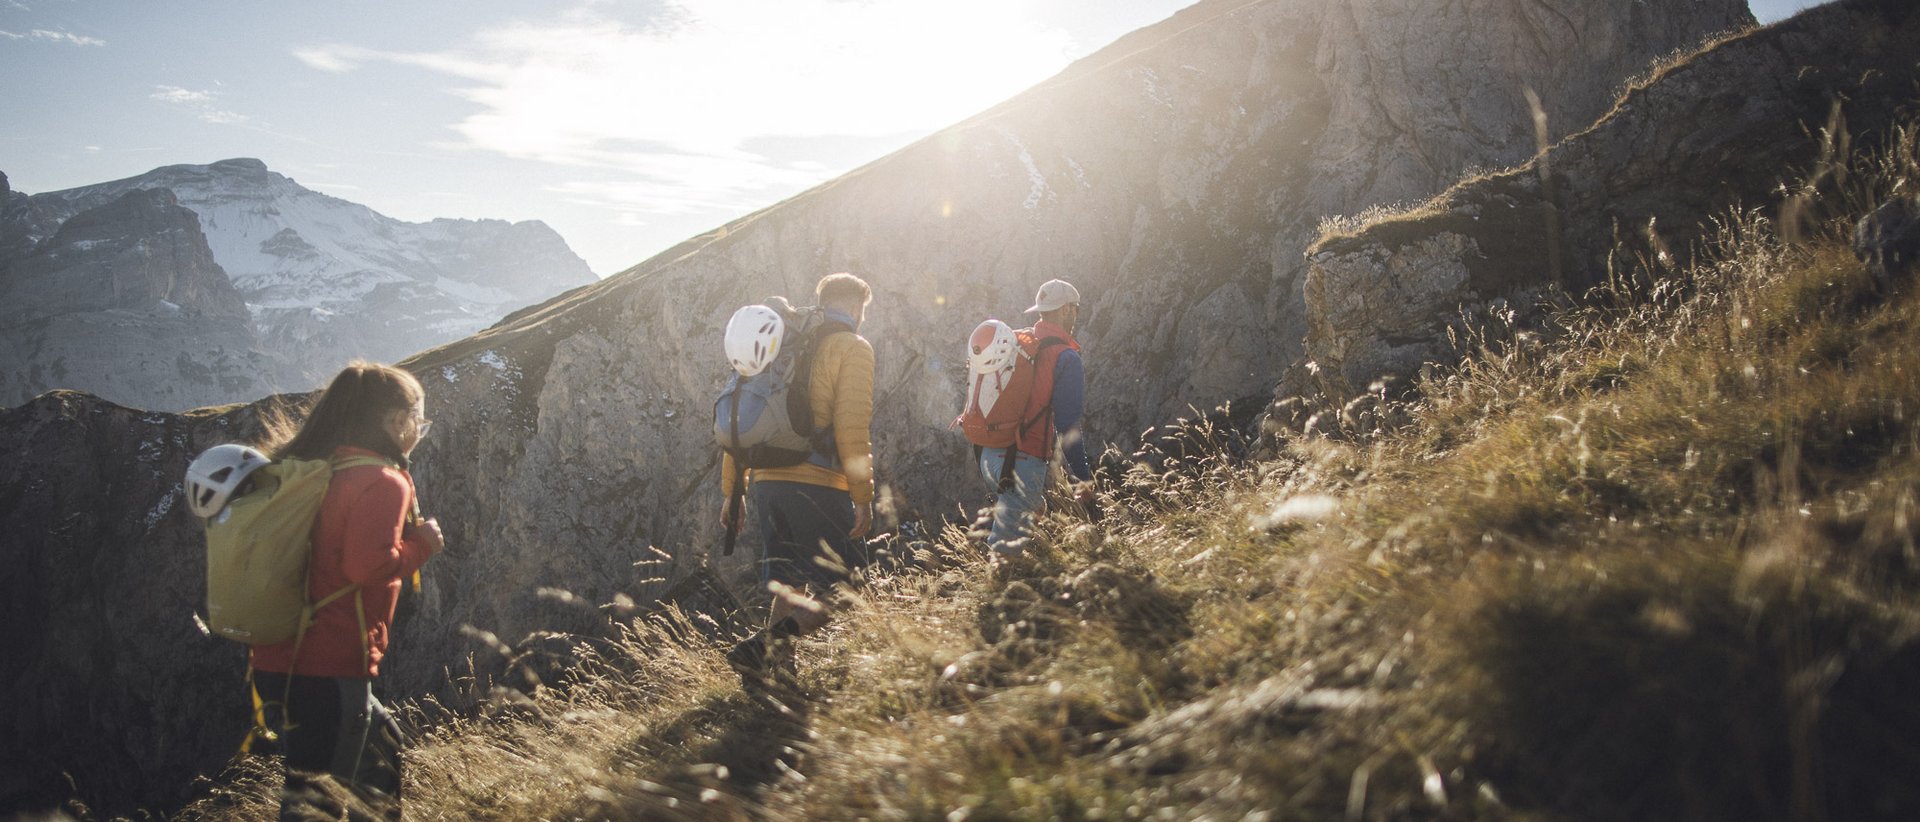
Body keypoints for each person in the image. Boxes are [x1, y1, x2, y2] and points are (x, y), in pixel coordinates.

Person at [250, 362, 444, 819]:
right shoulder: (381, 481)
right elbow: (365, 567)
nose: (418, 430)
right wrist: (422, 545)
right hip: (330, 664)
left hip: (283, 655)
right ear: (398, 421)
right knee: (315, 803)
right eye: (418, 420)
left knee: (380, 756)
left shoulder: (318, 468)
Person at [722, 272, 877, 687]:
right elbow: (851, 427)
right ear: (858, 308)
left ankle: (776, 677)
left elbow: (742, 418)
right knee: (847, 586)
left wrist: (732, 492)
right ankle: (762, 649)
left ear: (821, 300)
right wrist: (862, 495)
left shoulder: (782, 346)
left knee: (788, 582)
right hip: (816, 481)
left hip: (766, 481)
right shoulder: (852, 347)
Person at [980, 279, 1093, 555]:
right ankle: (996, 589)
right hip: (1023, 463)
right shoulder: (1065, 357)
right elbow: (1068, 426)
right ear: (1066, 310)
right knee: (1003, 555)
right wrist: (1083, 478)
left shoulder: (1016, 342)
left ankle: (1032, 571)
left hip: (988, 456)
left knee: (1034, 507)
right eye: (1075, 309)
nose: (1076, 315)